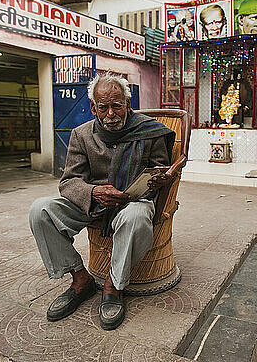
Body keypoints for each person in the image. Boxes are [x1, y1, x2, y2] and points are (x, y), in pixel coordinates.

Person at [29, 73, 176, 330]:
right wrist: (94, 193)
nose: (111, 113)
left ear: (127, 105)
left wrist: (159, 179)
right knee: (40, 210)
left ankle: (113, 285)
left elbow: (160, 168)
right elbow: (69, 181)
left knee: (136, 216)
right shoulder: (81, 135)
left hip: (131, 202)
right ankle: (80, 278)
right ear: (93, 108)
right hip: (92, 203)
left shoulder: (149, 131)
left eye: (117, 105)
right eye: (103, 107)